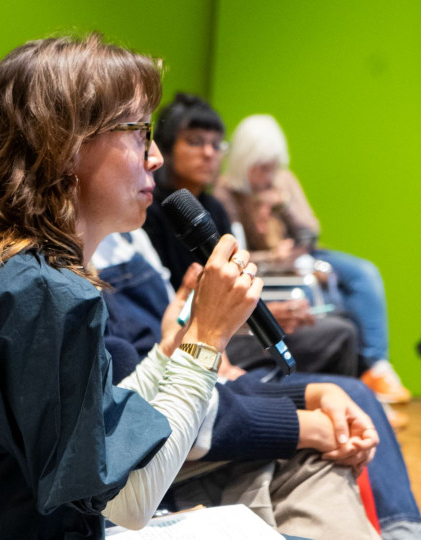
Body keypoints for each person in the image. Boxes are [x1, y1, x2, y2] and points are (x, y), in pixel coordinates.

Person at [0, 35, 265, 539]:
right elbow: (130, 500)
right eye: (139, 132)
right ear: (65, 145)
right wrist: (206, 340)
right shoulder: (41, 295)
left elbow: (94, 441)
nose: (156, 157)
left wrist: (171, 352)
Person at [94, 230, 420, 539]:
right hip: (172, 462)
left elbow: (147, 383)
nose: (153, 176)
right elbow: (132, 454)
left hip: (190, 399)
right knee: (329, 442)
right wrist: (300, 425)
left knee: (342, 370)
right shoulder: (77, 304)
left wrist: (183, 343)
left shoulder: (126, 245)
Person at [143, 93, 363, 379]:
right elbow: (175, 297)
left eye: (216, 144)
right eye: (195, 142)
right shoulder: (153, 209)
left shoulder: (213, 207)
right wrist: (250, 315)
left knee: (344, 315)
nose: (208, 153)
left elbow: (307, 233)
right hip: (191, 332)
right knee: (340, 331)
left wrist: (282, 204)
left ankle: (363, 379)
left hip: (232, 318)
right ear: (167, 147)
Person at [215, 114, 410, 404]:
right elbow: (232, 252)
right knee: (319, 299)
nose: (268, 174)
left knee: (364, 273)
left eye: (272, 166)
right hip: (267, 268)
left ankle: (376, 367)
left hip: (305, 254)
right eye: (261, 167)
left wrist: (283, 205)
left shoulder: (283, 180)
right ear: (245, 161)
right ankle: (356, 382)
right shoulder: (226, 193)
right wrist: (271, 257)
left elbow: (311, 231)